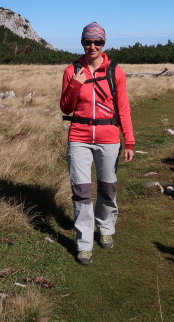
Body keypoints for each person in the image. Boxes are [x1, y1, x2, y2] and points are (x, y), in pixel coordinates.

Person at [59, 22, 135, 265]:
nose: (92, 46)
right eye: (87, 41)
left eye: (97, 42)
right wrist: (76, 83)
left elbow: (123, 109)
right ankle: (84, 243)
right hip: (78, 137)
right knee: (81, 192)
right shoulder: (72, 70)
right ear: (82, 42)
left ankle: (106, 229)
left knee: (107, 188)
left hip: (109, 138)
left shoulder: (116, 72)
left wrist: (129, 141)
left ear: (104, 43)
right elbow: (66, 107)